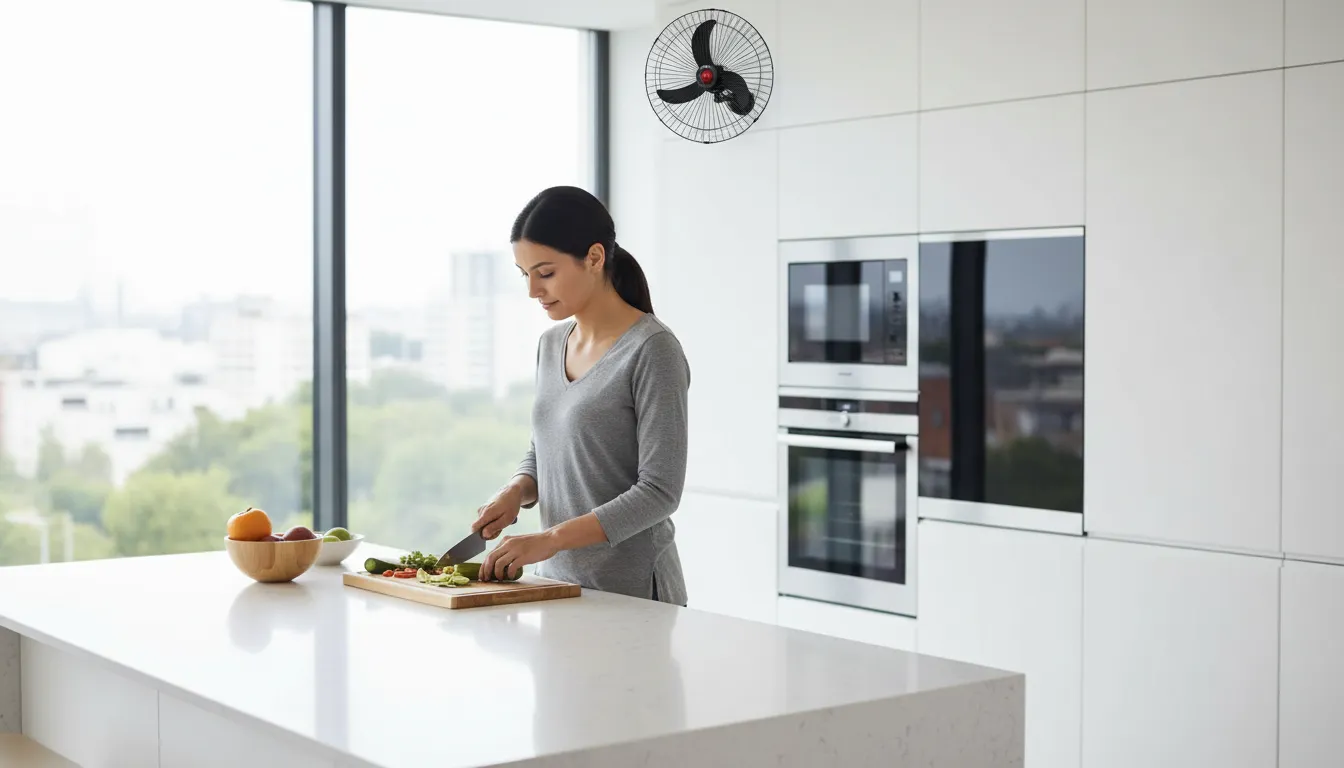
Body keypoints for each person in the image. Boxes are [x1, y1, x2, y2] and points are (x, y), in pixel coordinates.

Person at [472, 185, 691, 606]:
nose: (533, 290)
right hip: (554, 585)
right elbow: (548, 447)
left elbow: (660, 493)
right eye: (526, 275)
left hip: (634, 595)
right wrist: (517, 491)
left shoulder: (653, 349)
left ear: (594, 257)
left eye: (546, 272)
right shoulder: (551, 343)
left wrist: (550, 538)